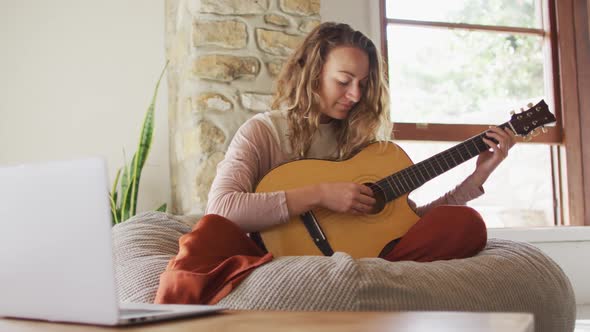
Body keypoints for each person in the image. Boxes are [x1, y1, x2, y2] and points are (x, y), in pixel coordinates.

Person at [155, 22, 516, 305]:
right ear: (312, 74)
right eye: (343, 81)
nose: (355, 95)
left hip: (371, 257)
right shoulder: (263, 132)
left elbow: (407, 224)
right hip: (274, 255)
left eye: (363, 83)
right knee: (204, 238)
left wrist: (477, 176)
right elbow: (222, 209)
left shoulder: (369, 147)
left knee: (465, 224)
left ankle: (364, 278)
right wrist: (319, 195)